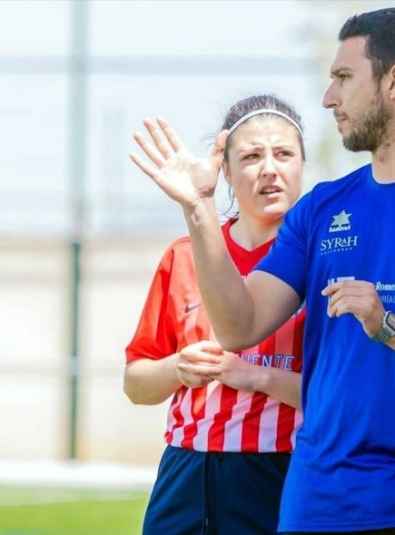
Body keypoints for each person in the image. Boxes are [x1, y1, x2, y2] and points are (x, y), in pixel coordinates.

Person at [131, 7, 395, 535]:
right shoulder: (321, 209)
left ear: (394, 80)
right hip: (315, 505)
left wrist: (389, 326)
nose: (329, 98)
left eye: (344, 77)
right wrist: (200, 208)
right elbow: (238, 325)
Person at [125, 94, 306, 535]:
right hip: (186, 473)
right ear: (224, 170)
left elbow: (345, 396)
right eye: (250, 156)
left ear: (302, 164)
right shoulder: (184, 257)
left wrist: (256, 375)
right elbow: (136, 384)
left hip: (282, 473)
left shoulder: (323, 262)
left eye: (283, 153)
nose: (269, 168)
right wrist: (177, 368)